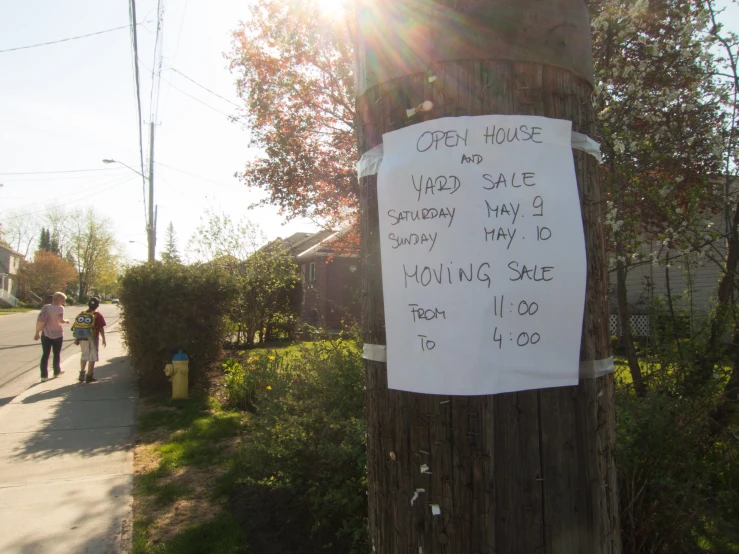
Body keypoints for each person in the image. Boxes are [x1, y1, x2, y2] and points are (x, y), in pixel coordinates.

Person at [34, 292, 69, 381]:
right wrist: (66, 321)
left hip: (45, 333)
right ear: (59, 299)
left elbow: (40, 320)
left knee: (45, 355)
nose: (64, 301)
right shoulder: (60, 308)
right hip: (57, 333)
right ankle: (56, 371)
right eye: (63, 300)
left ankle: (43, 376)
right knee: (56, 354)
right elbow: (60, 320)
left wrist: (37, 332)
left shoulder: (45, 307)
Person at [77, 297, 107, 383]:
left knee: (84, 355)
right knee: (92, 356)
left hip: (83, 337)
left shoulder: (82, 314)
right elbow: (101, 328)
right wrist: (103, 338)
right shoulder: (98, 315)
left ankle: (82, 373)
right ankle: (89, 376)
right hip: (93, 337)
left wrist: (77, 338)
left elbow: (78, 326)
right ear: (97, 305)